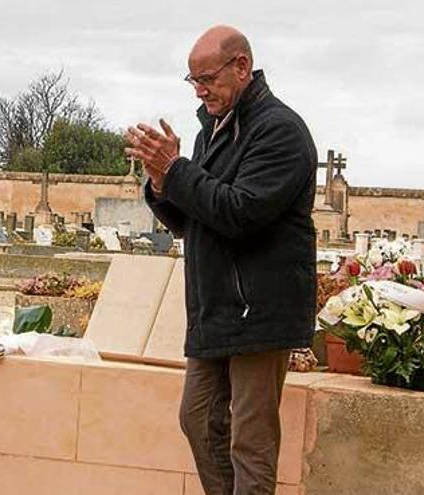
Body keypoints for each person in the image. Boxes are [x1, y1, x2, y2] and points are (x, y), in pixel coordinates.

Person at [126, 25, 317, 495]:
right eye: (192, 81)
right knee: (198, 417)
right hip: (214, 307)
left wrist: (177, 171)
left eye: (207, 78)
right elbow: (192, 218)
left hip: (260, 309)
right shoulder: (210, 130)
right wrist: (159, 182)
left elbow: (240, 213)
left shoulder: (280, 131)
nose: (199, 90)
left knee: (249, 440)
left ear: (242, 67)